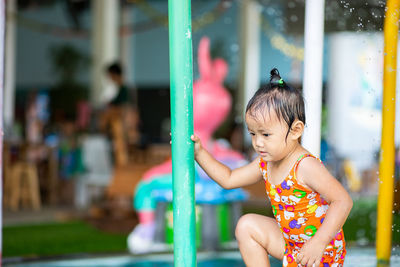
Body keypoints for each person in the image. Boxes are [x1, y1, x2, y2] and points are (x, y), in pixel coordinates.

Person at [191, 68, 353, 267]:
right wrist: (199, 153)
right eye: (253, 134)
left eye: (265, 135)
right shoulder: (265, 163)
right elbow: (229, 178)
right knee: (246, 225)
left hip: (320, 254)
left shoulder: (305, 165)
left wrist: (318, 243)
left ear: (295, 131)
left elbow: (343, 201)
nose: (258, 143)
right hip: (292, 247)